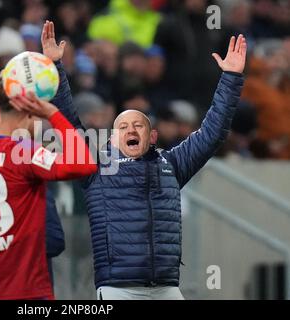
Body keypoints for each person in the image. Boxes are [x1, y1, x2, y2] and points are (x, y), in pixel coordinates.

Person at [49, 20, 247, 299]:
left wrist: (231, 77)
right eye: (123, 127)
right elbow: (68, 124)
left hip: (166, 287)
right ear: (110, 140)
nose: (131, 130)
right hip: (119, 288)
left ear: (152, 136)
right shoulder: (96, 167)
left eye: (138, 125)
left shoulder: (173, 164)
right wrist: (55, 67)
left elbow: (213, 133)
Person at [0, 77, 97, 299]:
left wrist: (10, 82)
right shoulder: (24, 151)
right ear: (30, 112)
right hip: (22, 288)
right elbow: (84, 163)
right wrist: (53, 113)